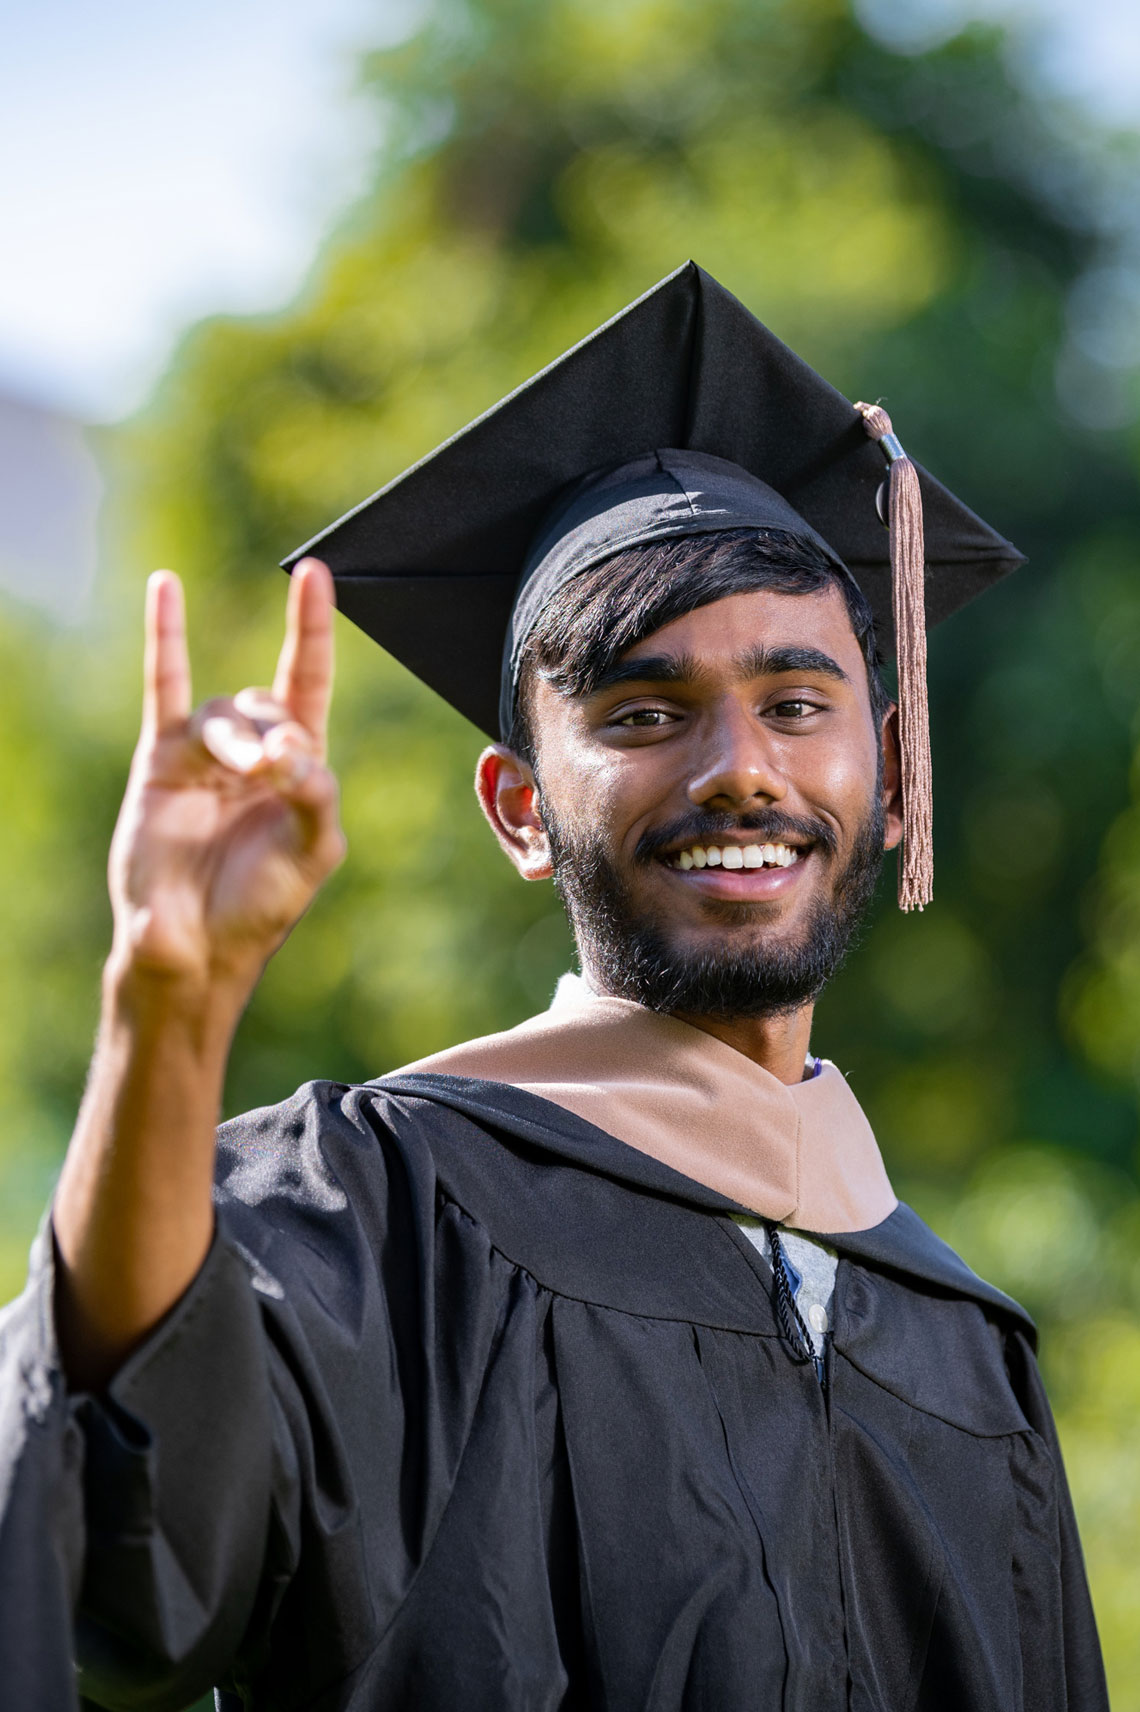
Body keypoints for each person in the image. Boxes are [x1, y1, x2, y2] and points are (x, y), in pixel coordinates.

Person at [0, 263, 1107, 1711]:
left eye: (796, 704)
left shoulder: (970, 1349)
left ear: (889, 773)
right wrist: (167, 998)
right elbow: (120, 1541)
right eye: (644, 713)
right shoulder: (379, 1207)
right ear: (520, 808)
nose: (741, 771)